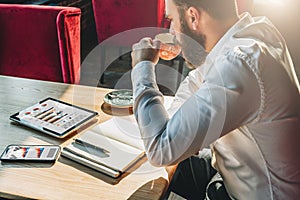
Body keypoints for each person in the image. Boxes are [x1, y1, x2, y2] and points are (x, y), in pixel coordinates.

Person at [130, 0, 300, 199]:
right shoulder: (253, 33)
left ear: (193, 17)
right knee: (169, 164)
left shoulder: (240, 63)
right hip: (234, 177)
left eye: (172, 20)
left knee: (148, 174)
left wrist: (142, 67)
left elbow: (160, 150)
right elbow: (196, 81)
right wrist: (174, 129)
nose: (172, 31)